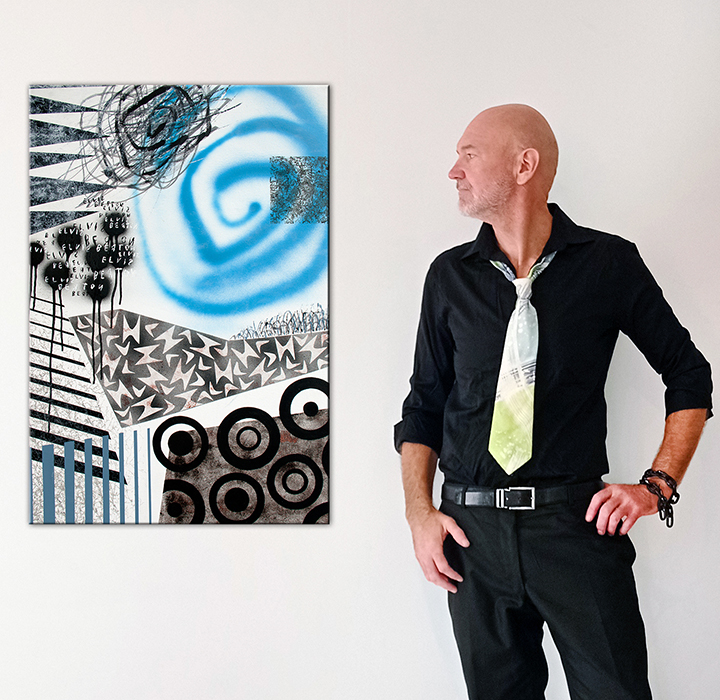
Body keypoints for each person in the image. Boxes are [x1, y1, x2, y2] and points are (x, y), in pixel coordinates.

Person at [394, 104, 712, 700]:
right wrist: (418, 514)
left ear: (524, 165)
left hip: (575, 528)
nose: (453, 171)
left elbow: (689, 375)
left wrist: (657, 486)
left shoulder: (610, 264)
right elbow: (423, 407)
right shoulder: (448, 277)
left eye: (468, 155)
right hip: (471, 536)